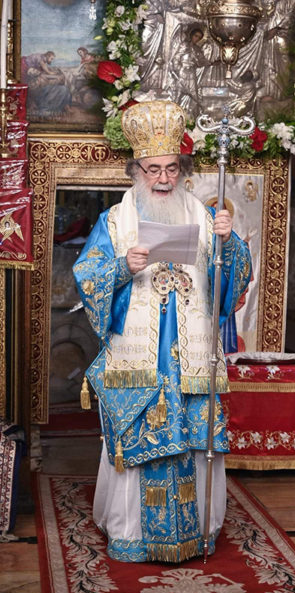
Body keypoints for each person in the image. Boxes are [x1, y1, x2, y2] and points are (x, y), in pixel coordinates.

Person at [73, 100, 252, 563]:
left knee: (193, 443)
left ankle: (198, 531)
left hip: (190, 359)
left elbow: (233, 285)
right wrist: (121, 267)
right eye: (153, 169)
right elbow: (87, 277)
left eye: (172, 168)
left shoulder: (206, 217)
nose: (163, 179)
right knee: (142, 445)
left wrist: (228, 242)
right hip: (141, 361)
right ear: (137, 170)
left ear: (182, 170)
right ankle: (133, 533)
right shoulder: (115, 222)